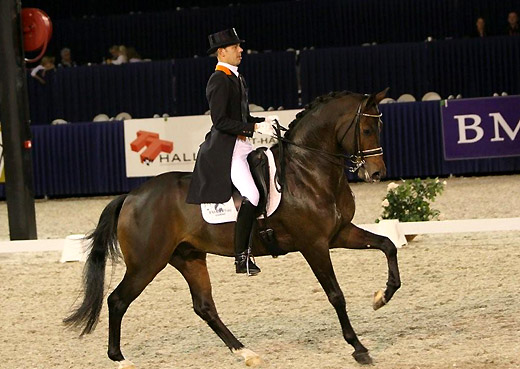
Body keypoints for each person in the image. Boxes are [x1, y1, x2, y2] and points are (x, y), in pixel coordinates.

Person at [186, 28, 277, 275]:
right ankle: (241, 257)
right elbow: (220, 122)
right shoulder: (218, 79)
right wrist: (254, 126)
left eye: (240, 46)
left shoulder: (237, 77)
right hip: (228, 149)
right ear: (221, 52)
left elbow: (243, 117)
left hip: (243, 143)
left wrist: (263, 122)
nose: (241, 50)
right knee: (253, 195)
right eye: (236, 47)